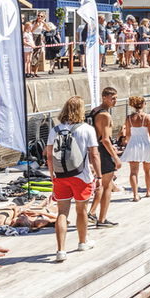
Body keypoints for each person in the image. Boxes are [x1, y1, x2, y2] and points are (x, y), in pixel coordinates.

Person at [46, 96, 102, 262]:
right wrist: (98, 175)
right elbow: (94, 154)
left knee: (62, 212)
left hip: (60, 176)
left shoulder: (55, 130)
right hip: (81, 176)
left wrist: (52, 174)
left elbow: (49, 155)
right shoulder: (86, 129)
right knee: (81, 210)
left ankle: (60, 250)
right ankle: (82, 242)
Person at [87, 87, 122, 226]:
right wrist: (116, 157)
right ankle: (101, 219)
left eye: (116, 98)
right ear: (104, 97)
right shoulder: (105, 116)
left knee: (101, 184)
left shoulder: (94, 111)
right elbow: (105, 139)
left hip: (95, 149)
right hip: (103, 151)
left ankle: (93, 212)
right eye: (112, 98)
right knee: (107, 186)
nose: (115, 101)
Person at [121, 95, 150, 200]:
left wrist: (129, 144)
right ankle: (148, 191)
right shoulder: (147, 117)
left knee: (133, 171)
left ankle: (135, 195)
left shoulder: (129, 118)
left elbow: (128, 134)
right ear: (143, 104)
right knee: (148, 170)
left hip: (134, 144)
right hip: (146, 144)